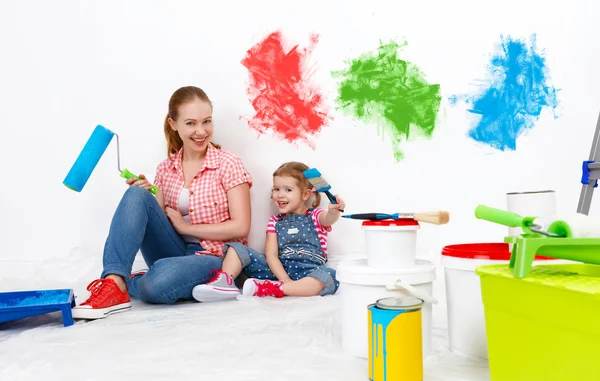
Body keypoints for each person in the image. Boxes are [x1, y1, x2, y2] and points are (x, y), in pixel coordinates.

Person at [72, 86, 253, 319]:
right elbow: (160, 221)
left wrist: (187, 228)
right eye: (190, 123)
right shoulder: (165, 169)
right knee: (136, 194)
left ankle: (134, 281)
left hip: (215, 256)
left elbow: (241, 227)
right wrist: (149, 196)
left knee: (158, 282)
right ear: (173, 124)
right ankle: (114, 281)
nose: (201, 131)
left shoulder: (228, 163)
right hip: (174, 249)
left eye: (206, 121)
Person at [192, 161, 345, 301]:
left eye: (288, 190)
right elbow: (271, 255)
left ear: (305, 194)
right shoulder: (275, 221)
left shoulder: (315, 215)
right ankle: (224, 282)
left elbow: (329, 218)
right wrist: (283, 278)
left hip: (309, 271)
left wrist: (334, 210)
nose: (280, 194)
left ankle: (271, 289)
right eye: (276, 189)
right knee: (236, 248)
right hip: (278, 269)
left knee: (329, 277)